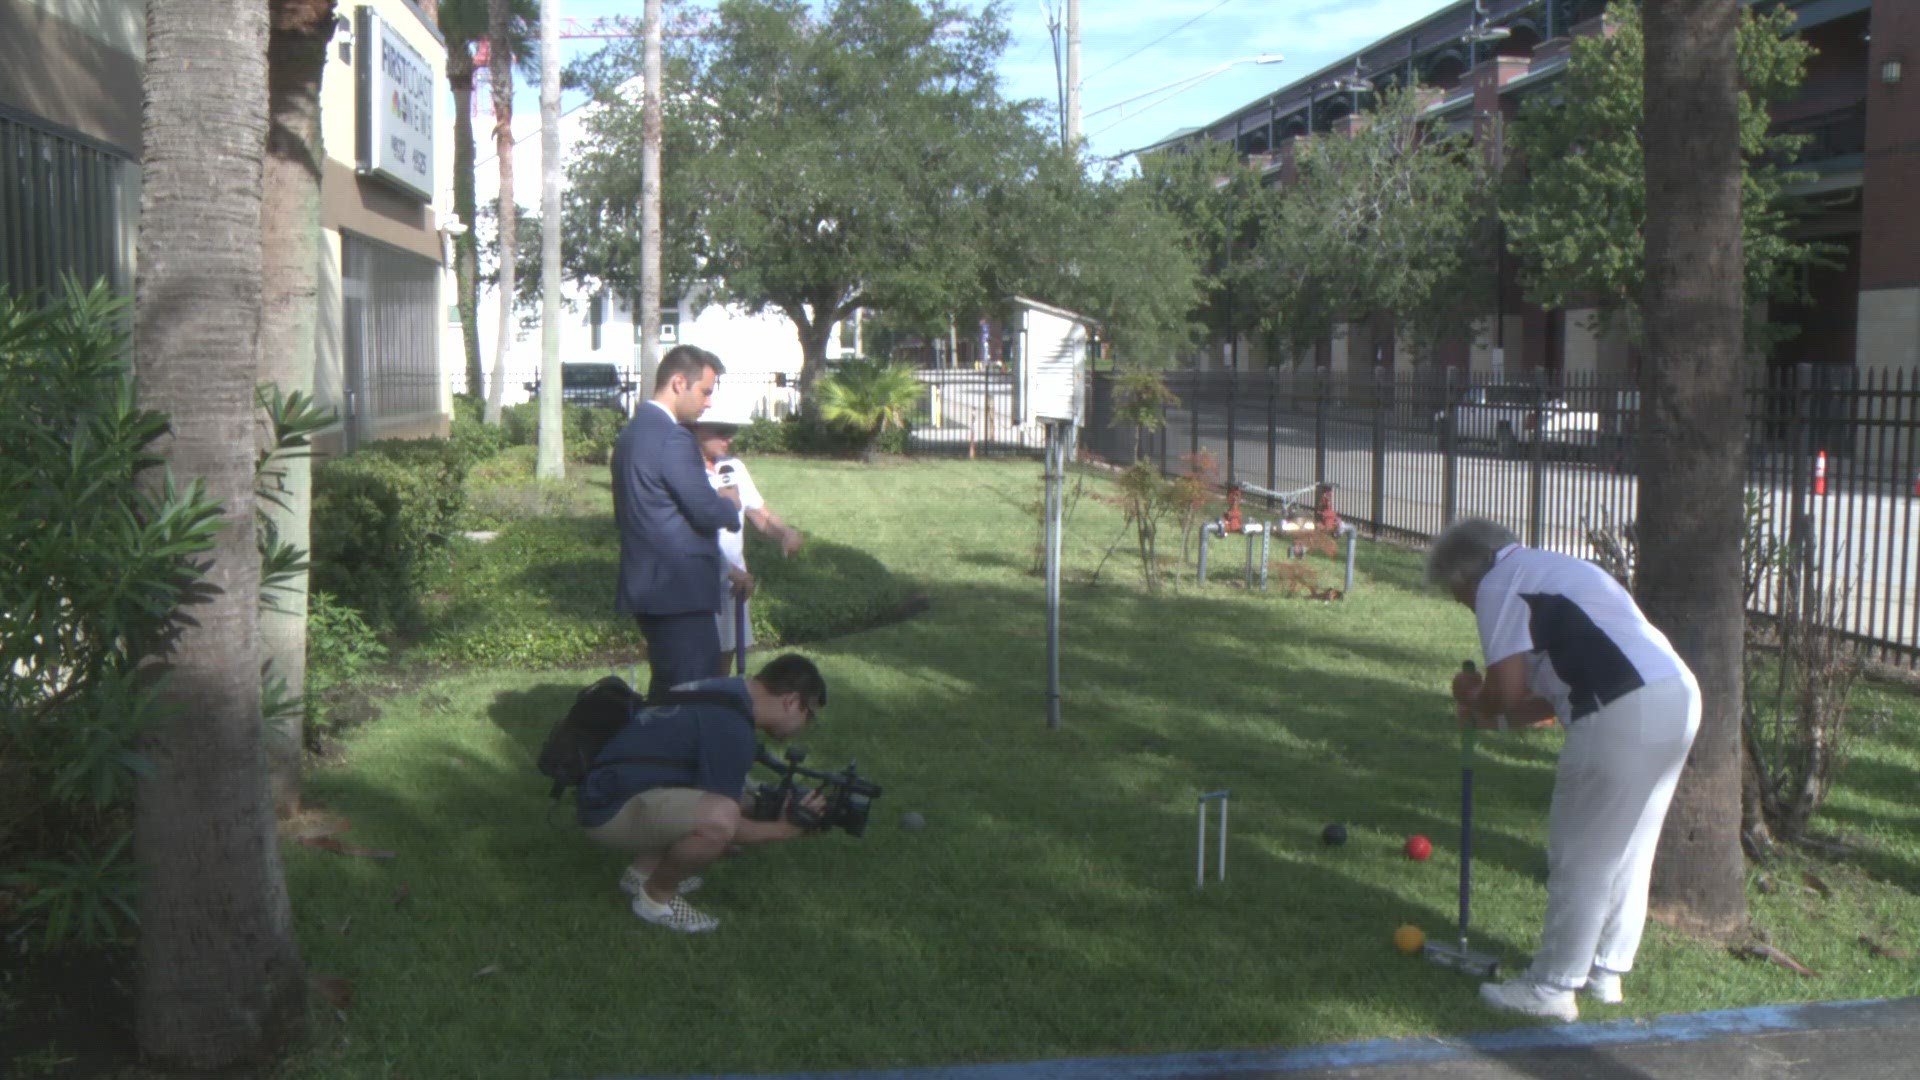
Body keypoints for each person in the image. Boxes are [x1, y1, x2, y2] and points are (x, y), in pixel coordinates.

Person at [1427, 517, 1701, 1022]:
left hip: (1622, 707)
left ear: (1466, 575)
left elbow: (1505, 690)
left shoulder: (1496, 584)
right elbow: (1544, 703)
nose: (1465, 605)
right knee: (1630, 848)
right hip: (1676, 696)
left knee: (1580, 852)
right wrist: (1490, 719)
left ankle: (1552, 985)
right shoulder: (1551, 572)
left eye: (1456, 595)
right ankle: (1605, 972)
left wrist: (1473, 698)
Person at [576, 653, 829, 933]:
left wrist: (760, 809)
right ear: (791, 701)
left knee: (730, 805)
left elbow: (720, 791)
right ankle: (656, 900)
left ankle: (641, 874)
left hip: (608, 790)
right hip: (610, 812)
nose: (807, 727)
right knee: (719, 819)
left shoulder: (726, 691)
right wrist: (787, 829)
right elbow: (727, 822)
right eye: (810, 715)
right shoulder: (733, 726)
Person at [611, 345, 743, 699]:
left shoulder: (629, 435)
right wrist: (730, 505)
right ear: (678, 383)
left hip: (647, 587)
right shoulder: (674, 437)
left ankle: (647, 751)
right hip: (679, 591)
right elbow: (705, 510)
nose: (709, 403)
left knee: (668, 688)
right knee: (689, 693)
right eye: (705, 391)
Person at [694, 411, 805, 675]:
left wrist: (785, 533)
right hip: (699, 580)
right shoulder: (685, 473)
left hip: (735, 584)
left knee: (725, 660)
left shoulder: (733, 467)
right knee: (697, 663)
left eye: (732, 430)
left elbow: (760, 514)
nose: (729, 438)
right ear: (698, 428)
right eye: (722, 430)